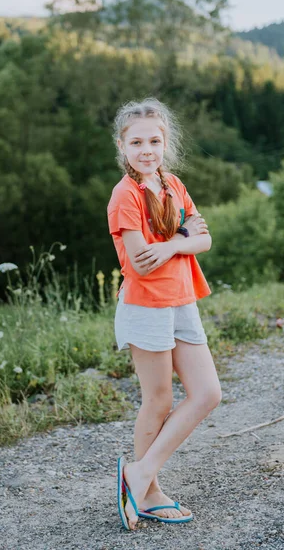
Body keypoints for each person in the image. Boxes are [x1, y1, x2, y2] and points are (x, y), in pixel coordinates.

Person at [107, 97, 222, 531]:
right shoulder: (125, 196)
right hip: (145, 307)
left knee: (207, 393)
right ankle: (149, 491)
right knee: (158, 400)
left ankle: (139, 472)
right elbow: (140, 262)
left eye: (154, 140)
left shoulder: (173, 184)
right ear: (123, 146)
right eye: (136, 142)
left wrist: (173, 243)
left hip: (181, 301)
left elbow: (203, 239)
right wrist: (182, 237)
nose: (146, 149)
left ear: (165, 141)